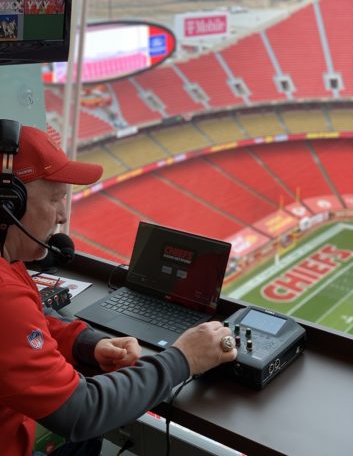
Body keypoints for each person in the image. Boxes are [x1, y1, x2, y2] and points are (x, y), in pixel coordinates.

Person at [0, 124, 237, 456]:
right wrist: (183, 359)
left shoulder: (8, 265)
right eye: (55, 199)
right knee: (88, 432)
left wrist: (86, 342)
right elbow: (82, 411)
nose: (62, 215)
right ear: (8, 204)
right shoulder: (4, 295)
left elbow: (31, 319)